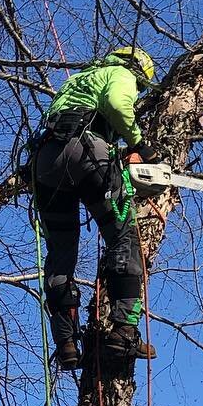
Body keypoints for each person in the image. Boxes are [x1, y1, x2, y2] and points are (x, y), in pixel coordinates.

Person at [30, 44, 159, 369]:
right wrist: (139, 146)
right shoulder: (120, 74)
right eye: (141, 86)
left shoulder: (77, 82)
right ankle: (123, 332)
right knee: (123, 239)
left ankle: (66, 344)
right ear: (138, 70)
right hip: (87, 154)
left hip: (46, 163)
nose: (138, 90)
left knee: (60, 257)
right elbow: (117, 104)